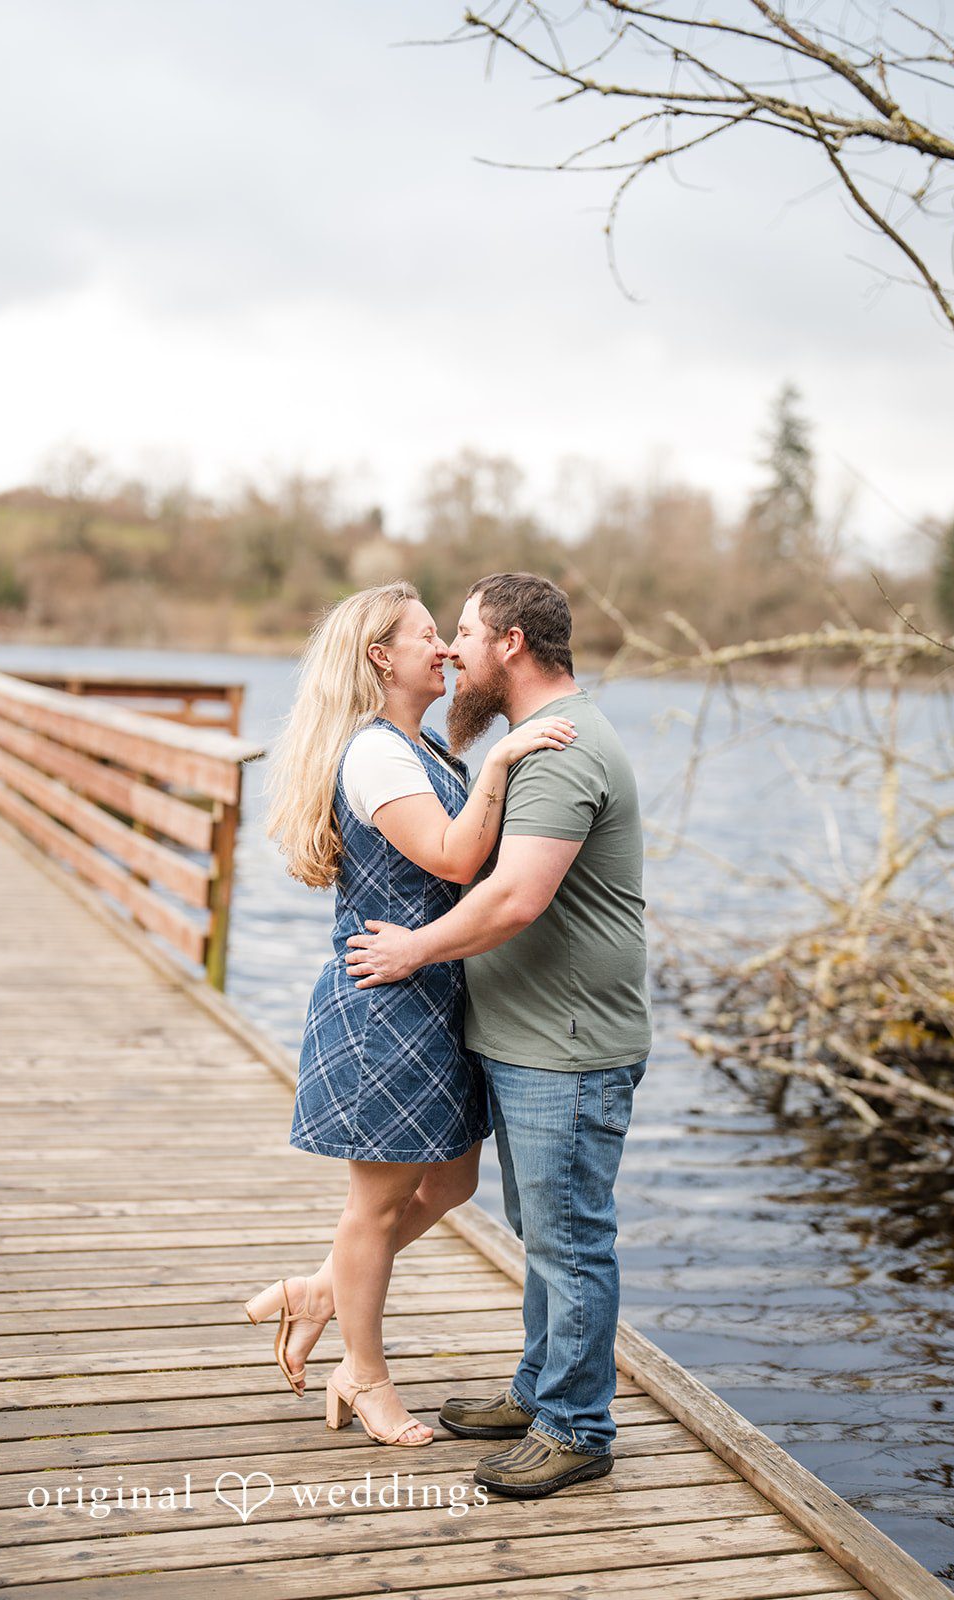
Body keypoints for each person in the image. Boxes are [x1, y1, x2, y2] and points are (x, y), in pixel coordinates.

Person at [244, 581, 577, 1450]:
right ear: (381, 658)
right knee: (378, 1201)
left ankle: (321, 1289)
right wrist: (504, 761)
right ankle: (363, 1373)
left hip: (429, 996)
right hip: (384, 1004)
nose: (443, 649)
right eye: (428, 636)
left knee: (452, 1180)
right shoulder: (377, 756)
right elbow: (456, 856)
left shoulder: (415, 747)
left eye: (446, 635)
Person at [345, 571, 653, 1496]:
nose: (452, 652)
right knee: (541, 1227)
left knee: (568, 1236)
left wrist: (414, 953)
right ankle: (538, 1388)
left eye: (467, 635)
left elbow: (515, 898)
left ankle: (576, 1426)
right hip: (531, 1038)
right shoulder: (527, 742)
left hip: (568, 1041)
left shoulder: (559, 750)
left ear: (511, 645)